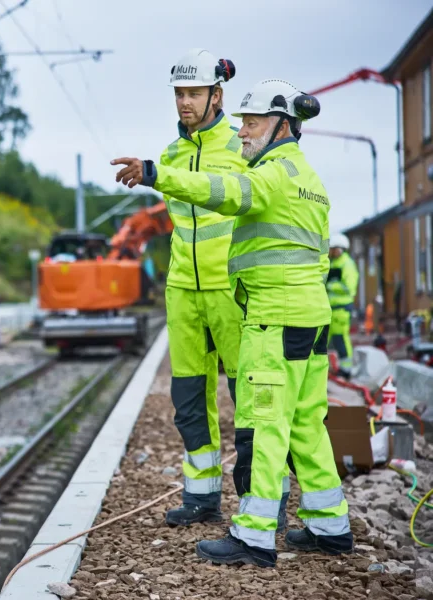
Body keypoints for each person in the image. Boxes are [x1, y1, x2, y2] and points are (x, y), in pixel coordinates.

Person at [110, 79, 353, 568]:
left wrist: (159, 174)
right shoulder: (310, 179)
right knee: (307, 422)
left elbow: (223, 190)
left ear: (283, 125)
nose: (244, 131)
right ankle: (331, 527)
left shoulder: (272, 175)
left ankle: (255, 535)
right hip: (310, 316)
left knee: (264, 424)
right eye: (242, 121)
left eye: (254, 122)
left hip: (273, 317)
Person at [155, 49, 251, 528]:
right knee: (190, 400)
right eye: (178, 94)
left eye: (193, 93)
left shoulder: (240, 147)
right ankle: (202, 498)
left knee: (247, 398)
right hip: (182, 291)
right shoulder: (171, 153)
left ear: (217, 95)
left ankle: (256, 508)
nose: (184, 103)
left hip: (228, 290)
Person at [327, 234, 359, 378]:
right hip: (331, 308)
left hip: (342, 308)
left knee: (340, 337)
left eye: (333, 249)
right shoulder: (333, 263)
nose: (331, 251)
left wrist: (330, 285)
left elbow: (349, 287)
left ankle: (347, 369)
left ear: (340, 249)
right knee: (328, 339)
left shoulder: (347, 264)